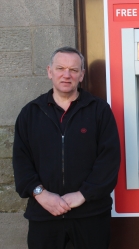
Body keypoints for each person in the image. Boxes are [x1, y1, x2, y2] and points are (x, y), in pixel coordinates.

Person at [12, 46, 121, 249]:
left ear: (81, 75)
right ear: (49, 71)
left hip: (91, 215)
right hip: (44, 214)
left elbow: (109, 160)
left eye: (73, 69)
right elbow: (21, 161)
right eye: (60, 68)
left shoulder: (99, 111)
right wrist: (41, 194)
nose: (66, 75)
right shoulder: (30, 113)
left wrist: (83, 195)